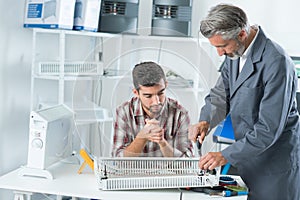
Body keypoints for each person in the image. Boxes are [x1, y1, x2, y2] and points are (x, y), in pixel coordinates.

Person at [189, 4, 300, 200]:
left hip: (273, 163)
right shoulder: (235, 53)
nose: (220, 53)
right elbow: (221, 95)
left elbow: (269, 128)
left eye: (222, 46)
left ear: (241, 34)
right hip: (245, 156)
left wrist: (226, 155)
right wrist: (206, 120)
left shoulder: (277, 62)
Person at [112, 61, 194, 157]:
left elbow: (187, 162)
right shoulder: (124, 112)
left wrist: (162, 142)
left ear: (166, 85)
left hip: (168, 172)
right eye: (148, 96)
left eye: (160, 93)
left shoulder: (180, 114)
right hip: (133, 172)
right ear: (136, 92)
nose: (156, 102)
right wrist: (141, 138)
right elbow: (117, 159)